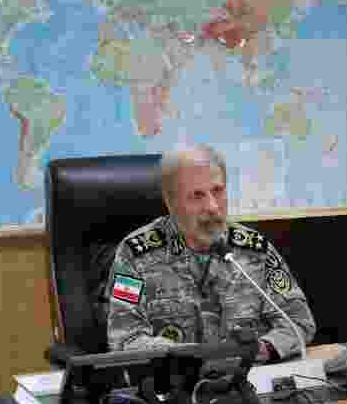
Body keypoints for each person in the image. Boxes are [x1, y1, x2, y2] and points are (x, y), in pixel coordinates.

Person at [106, 144, 316, 360]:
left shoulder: (255, 250)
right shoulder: (133, 254)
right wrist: (186, 358)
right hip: (176, 385)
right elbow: (125, 338)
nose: (213, 207)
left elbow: (297, 321)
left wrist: (263, 348)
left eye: (218, 191)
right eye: (197, 196)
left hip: (247, 382)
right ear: (171, 202)